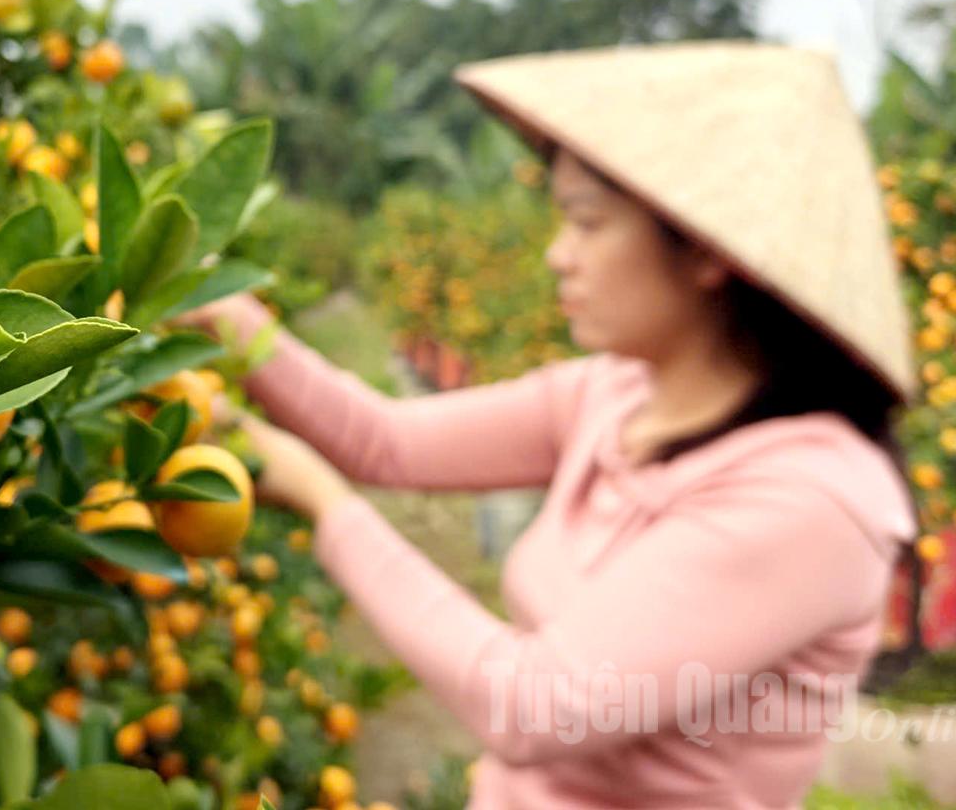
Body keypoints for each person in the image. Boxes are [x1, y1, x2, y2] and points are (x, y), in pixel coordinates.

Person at [181, 42, 918, 809]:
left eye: (587, 222)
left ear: (705, 251)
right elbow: (385, 440)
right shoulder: (616, 394)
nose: (556, 255)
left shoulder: (807, 500)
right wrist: (230, 322)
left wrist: (324, 504)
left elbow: (535, 706)